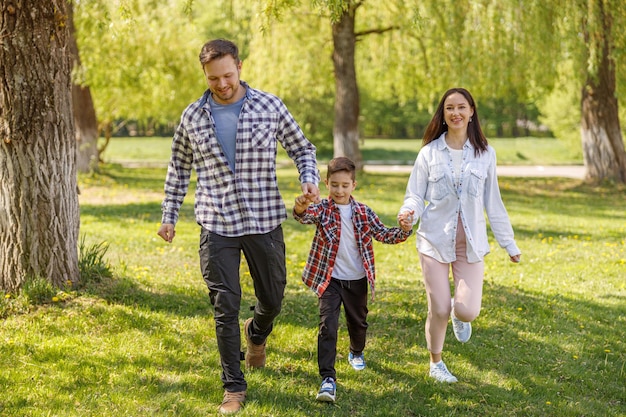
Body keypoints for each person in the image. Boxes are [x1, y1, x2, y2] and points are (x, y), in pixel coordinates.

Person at [157, 38, 320, 414]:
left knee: (274, 297)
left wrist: (308, 176)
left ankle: (256, 333)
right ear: (205, 75)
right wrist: (169, 215)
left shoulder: (268, 105)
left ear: (240, 67)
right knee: (224, 304)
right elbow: (179, 168)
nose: (222, 84)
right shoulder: (193, 116)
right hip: (217, 222)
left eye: (227, 75)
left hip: (263, 220)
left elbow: (302, 148)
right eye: (214, 78)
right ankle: (233, 386)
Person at [397, 88, 521, 383]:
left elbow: (494, 202)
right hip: (434, 241)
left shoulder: (485, 154)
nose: (455, 113)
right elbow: (415, 195)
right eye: (449, 108)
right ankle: (435, 362)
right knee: (438, 307)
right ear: (443, 114)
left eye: (461, 107)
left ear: (471, 112)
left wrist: (509, 243)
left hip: (472, 245)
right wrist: (408, 213)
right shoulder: (429, 153)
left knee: (466, 311)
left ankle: (457, 314)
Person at [293, 157, 413, 402]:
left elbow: (385, 235)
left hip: (357, 280)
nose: (339, 190)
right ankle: (327, 379)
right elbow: (303, 216)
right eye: (334, 185)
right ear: (326, 183)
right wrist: (300, 206)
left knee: (358, 323)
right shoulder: (323, 209)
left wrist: (404, 229)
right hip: (330, 280)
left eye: (345, 185)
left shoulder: (363, 212)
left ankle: (356, 351)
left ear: (353, 185)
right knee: (327, 325)